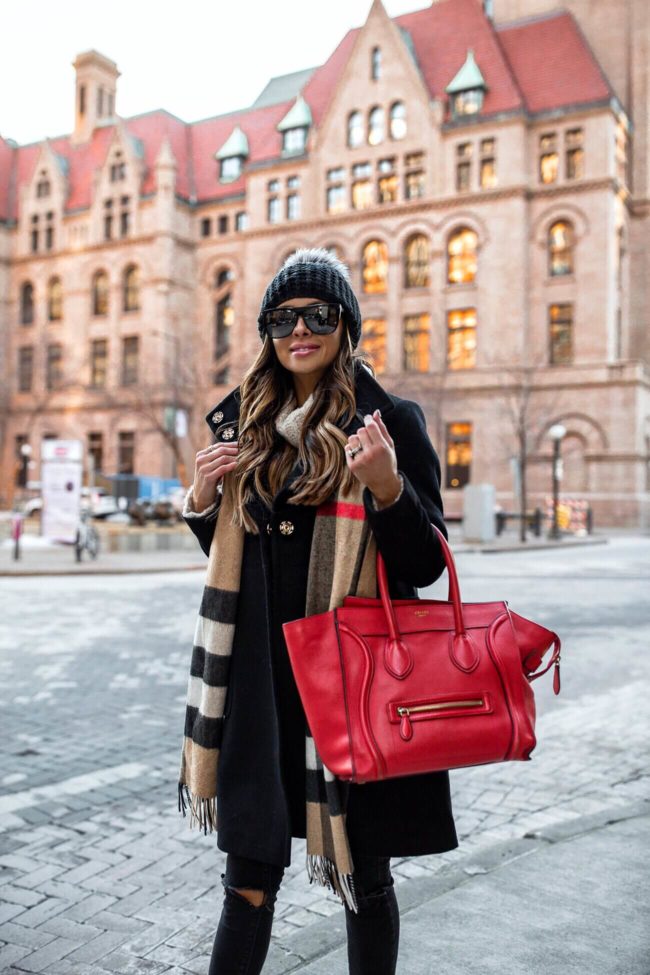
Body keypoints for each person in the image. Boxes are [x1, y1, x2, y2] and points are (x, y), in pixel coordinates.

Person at [179, 248, 458, 975]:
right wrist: (203, 506)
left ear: (345, 325)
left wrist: (390, 488)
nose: (299, 330)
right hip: (263, 689)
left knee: (365, 879)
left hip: (352, 683)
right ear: (267, 330)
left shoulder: (388, 422)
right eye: (282, 318)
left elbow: (426, 563)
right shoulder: (246, 425)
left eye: (317, 315)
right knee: (246, 882)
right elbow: (247, 560)